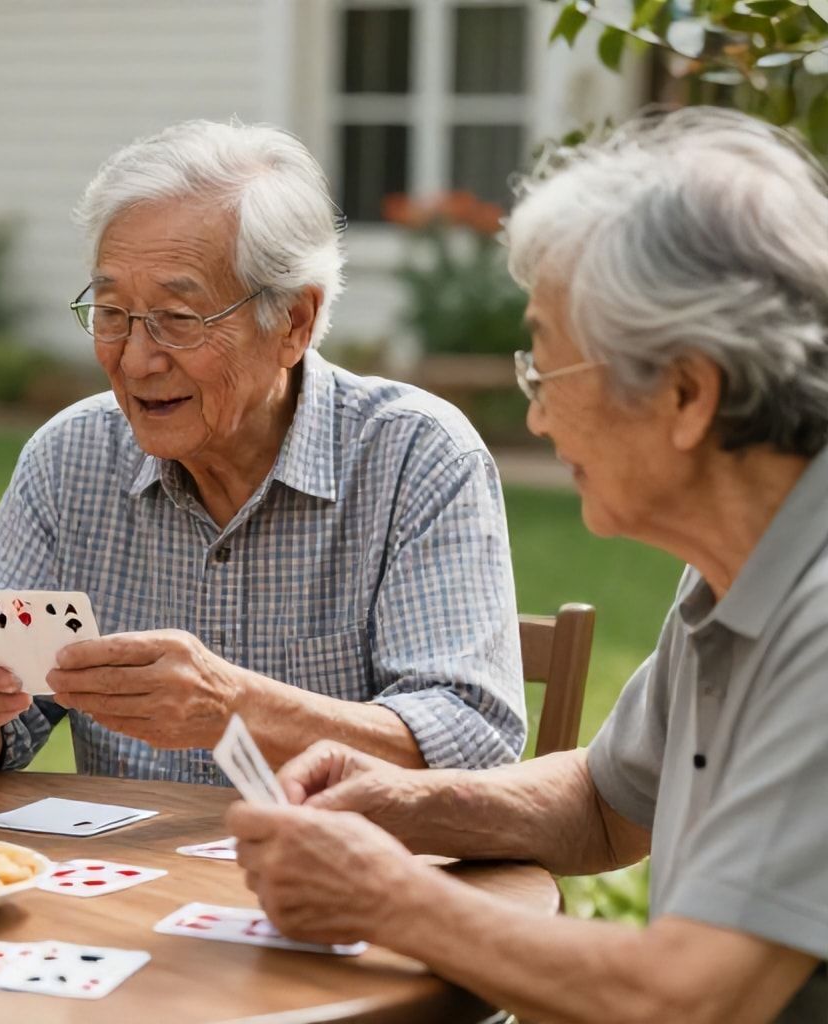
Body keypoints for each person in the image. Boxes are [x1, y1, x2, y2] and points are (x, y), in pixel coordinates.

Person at [227, 107, 828, 1023]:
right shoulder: (741, 569)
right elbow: (605, 805)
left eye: (549, 372)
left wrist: (385, 895)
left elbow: (688, 998)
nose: (538, 418)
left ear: (686, 393)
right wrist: (400, 802)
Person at [0, 118, 525, 780]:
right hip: (139, 854)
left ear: (294, 322)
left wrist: (234, 707)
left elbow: (471, 739)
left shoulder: (416, 456)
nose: (135, 360)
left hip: (339, 847)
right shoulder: (71, 458)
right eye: (111, 314)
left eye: (178, 319)